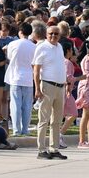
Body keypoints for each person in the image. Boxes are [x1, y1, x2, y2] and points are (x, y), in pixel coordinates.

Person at [32, 25, 68, 160]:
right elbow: (36, 69)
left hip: (60, 86)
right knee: (44, 119)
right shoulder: (42, 47)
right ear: (46, 34)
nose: (53, 36)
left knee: (57, 120)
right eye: (51, 34)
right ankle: (41, 149)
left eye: (56, 34)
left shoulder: (59, 47)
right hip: (47, 85)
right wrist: (37, 88)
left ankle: (54, 148)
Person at [5, 22, 36, 137]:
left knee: (15, 105)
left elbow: (9, 58)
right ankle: (25, 129)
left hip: (15, 77)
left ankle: (16, 129)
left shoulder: (12, 44)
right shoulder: (34, 46)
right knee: (27, 105)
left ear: (20, 32)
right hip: (28, 78)